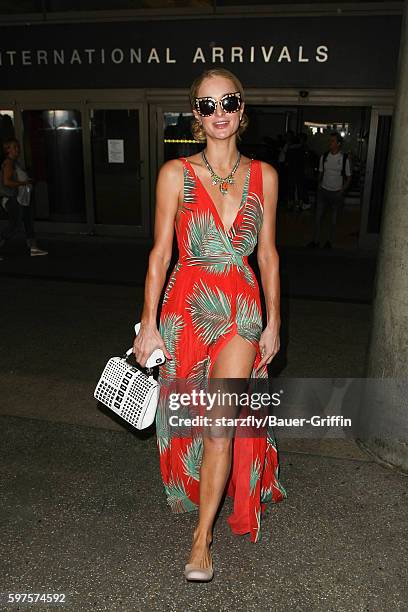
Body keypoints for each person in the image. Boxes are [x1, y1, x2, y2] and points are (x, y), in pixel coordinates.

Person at [133, 68, 287, 582]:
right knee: (191, 418)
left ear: (242, 110)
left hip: (241, 308)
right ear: (195, 117)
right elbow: (159, 254)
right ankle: (195, 490)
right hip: (186, 307)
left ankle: (202, 541)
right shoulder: (174, 174)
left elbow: (267, 255)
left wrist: (274, 321)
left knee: (221, 421)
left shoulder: (265, 176)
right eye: (206, 105)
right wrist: (147, 324)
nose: (218, 113)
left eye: (228, 102)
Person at [0, 138, 48, 258]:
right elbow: (7, 182)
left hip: (21, 198)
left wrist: (26, 181)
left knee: (27, 221)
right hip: (13, 199)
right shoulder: (9, 163)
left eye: (18, 146)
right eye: (14, 147)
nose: (18, 149)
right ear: (8, 150)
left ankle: (33, 247)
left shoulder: (15, 162)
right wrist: (23, 183)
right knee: (14, 225)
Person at [307, 132, 352, 248]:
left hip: (336, 193)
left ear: (338, 144)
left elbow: (349, 176)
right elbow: (321, 172)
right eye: (329, 141)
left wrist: (342, 190)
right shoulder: (324, 156)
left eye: (332, 141)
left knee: (333, 219)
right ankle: (315, 241)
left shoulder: (344, 158)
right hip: (323, 191)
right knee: (318, 217)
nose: (330, 143)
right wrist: (318, 185)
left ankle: (329, 242)